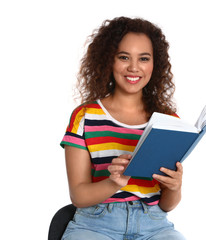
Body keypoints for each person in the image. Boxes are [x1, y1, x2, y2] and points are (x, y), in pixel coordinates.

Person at [60, 16, 186, 240]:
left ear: (154, 64)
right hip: (95, 225)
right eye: (124, 57)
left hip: (154, 225)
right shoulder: (86, 117)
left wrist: (175, 187)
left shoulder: (169, 121)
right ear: (109, 60)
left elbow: (167, 205)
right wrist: (112, 183)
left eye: (144, 58)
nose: (134, 67)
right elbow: (78, 195)